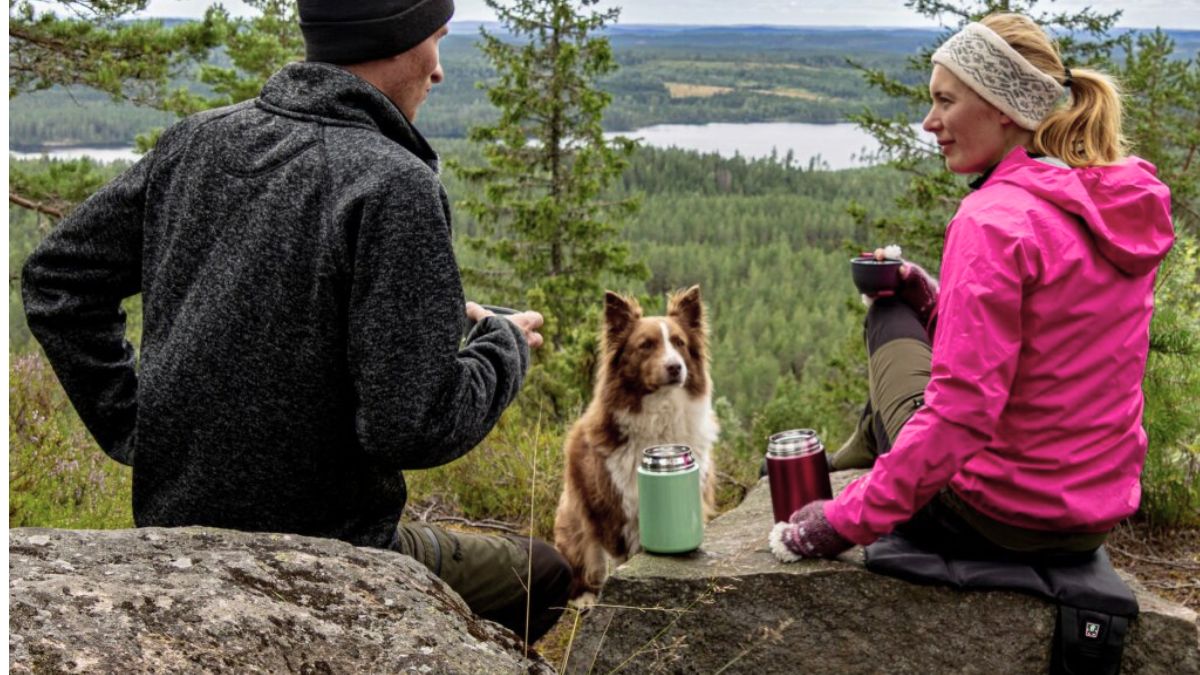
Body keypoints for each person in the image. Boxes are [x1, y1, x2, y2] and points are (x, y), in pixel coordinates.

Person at [21, 0, 570, 644]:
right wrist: (503, 348)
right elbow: (414, 427)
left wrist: (142, 427)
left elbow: (59, 278)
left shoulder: (195, 141)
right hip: (335, 552)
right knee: (545, 573)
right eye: (435, 41)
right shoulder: (393, 183)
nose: (438, 71)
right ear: (393, 42)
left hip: (176, 531)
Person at [768, 13, 1175, 562]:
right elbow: (1055, 339)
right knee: (912, 304)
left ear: (1002, 107)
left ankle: (871, 445)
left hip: (1000, 518)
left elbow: (962, 411)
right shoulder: (1113, 203)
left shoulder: (992, 220)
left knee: (889, 314)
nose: (928, 122)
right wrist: (938, 297)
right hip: (1090, 517)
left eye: (945, 101)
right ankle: (872, 439)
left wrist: (840, 522)